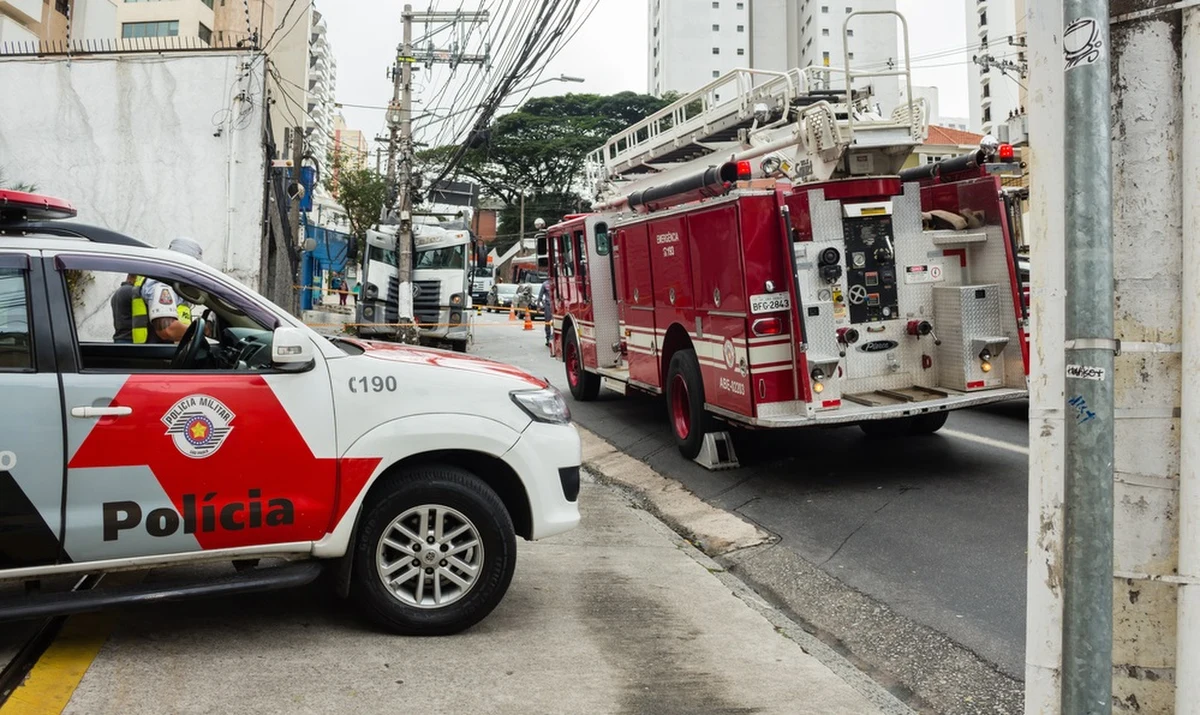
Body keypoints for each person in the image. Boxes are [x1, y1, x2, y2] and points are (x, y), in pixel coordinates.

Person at [130, 237, 203, 344]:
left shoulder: (171, 282)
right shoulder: (163, 284)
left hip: (160, 351)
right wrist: (202, 332)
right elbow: (167, 330)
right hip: (157, 354)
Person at [538, 279, 552, 347]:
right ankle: (548, 338)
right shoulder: (545, 284)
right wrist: (538, 305)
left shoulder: (557, 282)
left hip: (557, 305)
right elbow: (540, 295)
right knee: (548, 322)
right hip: (548, 306)